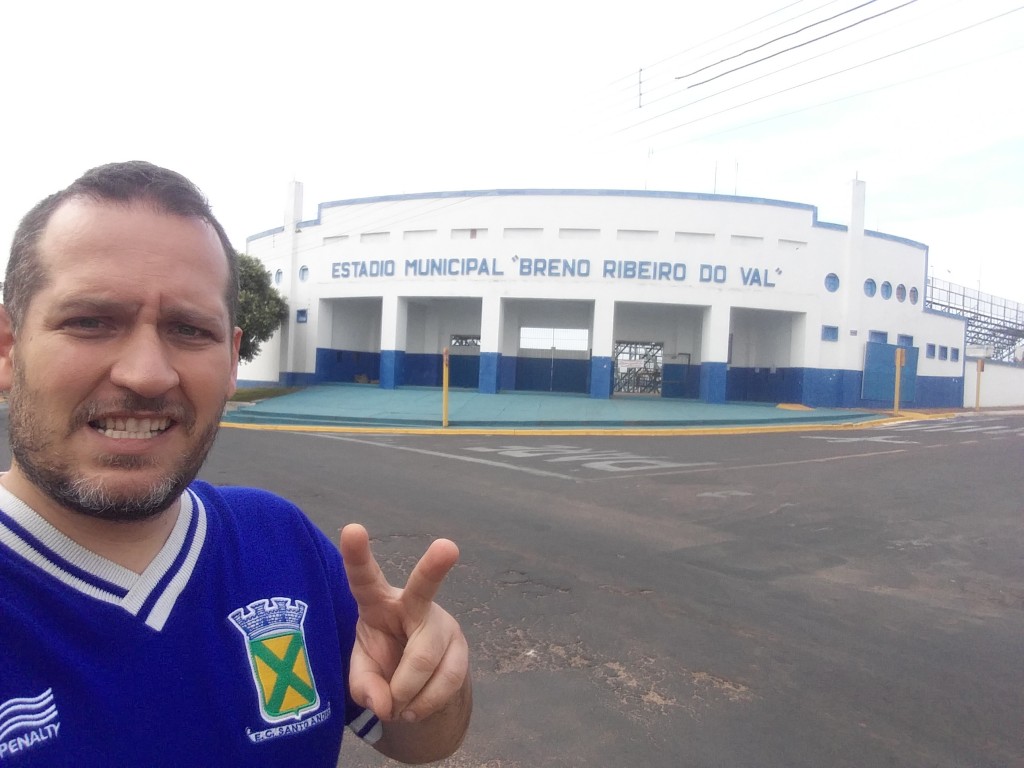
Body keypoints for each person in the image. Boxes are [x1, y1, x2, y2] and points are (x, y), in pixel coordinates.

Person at [0, 161, 471, 766]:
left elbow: (416, 742)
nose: (146, 373)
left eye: (189, 330)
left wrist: (429, 683)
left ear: (230, 361)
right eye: (91, 322)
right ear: (9, 349)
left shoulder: (281, 542)